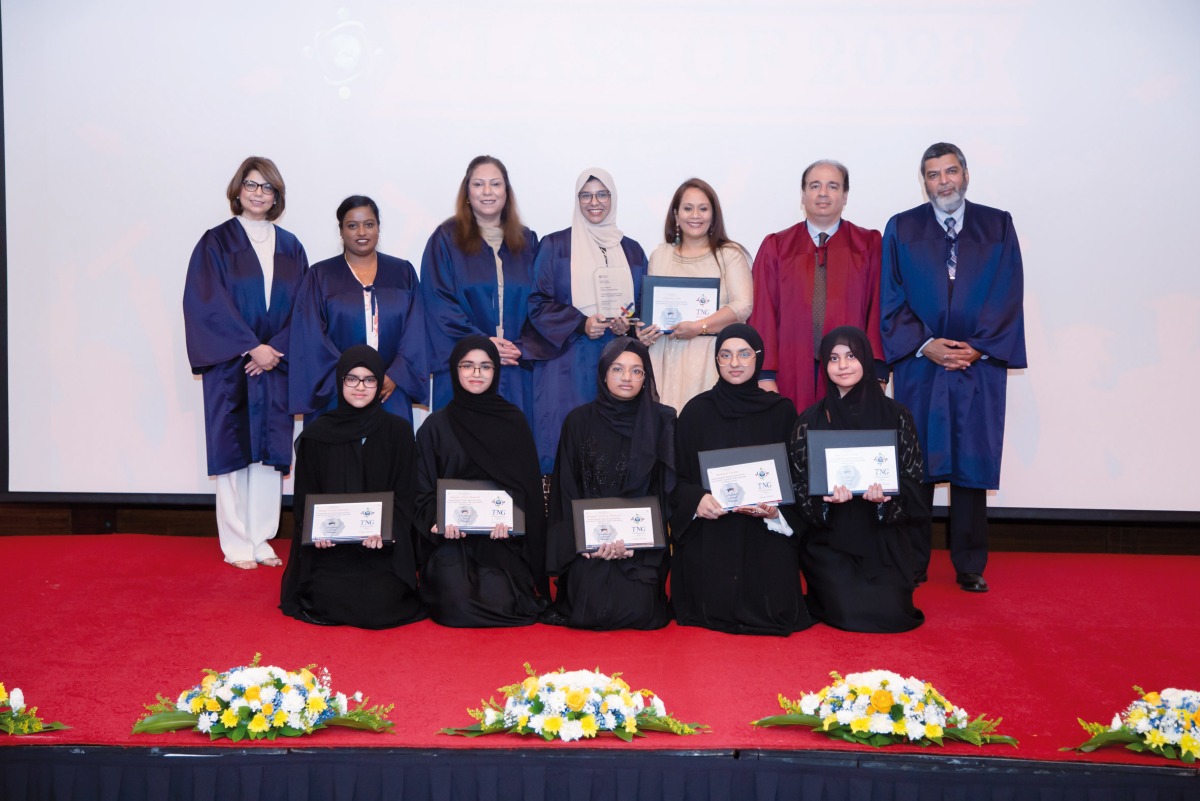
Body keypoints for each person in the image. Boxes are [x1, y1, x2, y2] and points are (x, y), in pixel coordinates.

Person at [880, 142, 1026, 593]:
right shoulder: (902, 227)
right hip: (922, 365)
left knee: (970, 463)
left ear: (966, 174)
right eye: (932, 174)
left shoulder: (997, 225)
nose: (943, 181)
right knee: (916, 464)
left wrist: (977, 349)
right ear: (923, 182)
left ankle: (968, 563)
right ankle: (915, 560)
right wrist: (926, 345)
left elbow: (1008, 292)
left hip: (975, 366)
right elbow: (891, 296)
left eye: (950, 172)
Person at [183, 156, 308, 570]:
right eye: (252, 185)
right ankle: (236, 543)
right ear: (238, 190)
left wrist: (275, 350)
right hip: (231, 366)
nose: (259, 194)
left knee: (270, 456)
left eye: (267, 187)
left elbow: (304, 309)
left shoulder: (291, 246)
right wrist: (250, 347)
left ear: (277, 196)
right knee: (235, 455)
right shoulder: (215, 242)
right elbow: (206, 303)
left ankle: (260, 540)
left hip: (276, 363)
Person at [671, 324, 814, 635]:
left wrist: (778, 513)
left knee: (775, 602)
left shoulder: (781, 411)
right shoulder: (696, 412)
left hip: (764, 528)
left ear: (758, 358)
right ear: (717, 361)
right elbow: (677, 477)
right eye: (725, 355)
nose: (735, 363)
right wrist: (697, 500)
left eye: (744, 354)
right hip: (712, 526)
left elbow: (798, 480)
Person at [789, 327, 927, 632]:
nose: (843, 366)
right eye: (834, 358)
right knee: (847, 612)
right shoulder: (808, 422)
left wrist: (886, 501)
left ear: (865, 358)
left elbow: (914, 482)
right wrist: (823, 504)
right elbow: (798, 487)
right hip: (830, 540)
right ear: (824, 365)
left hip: (884, 537)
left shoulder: (897, 416)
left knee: (893, 614)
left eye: (851, 356)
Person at [279, 346, 426, 628]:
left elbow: (407, 494)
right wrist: (316, 532)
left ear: (379, 383)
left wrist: (387, 532)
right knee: (330, 599)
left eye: (370, 379)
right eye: (352, 379)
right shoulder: (317, 435)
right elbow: (305, 500)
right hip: (331, 548)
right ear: (340, 381)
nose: (361, 387)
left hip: (383, 548)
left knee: (381, 603)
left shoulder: (398, 431)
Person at [543, 338, 675, 630]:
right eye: (618, 369)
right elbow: (566, 490)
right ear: (603, 373)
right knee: (590, 608)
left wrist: (639, 543)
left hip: (641, 549)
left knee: (639, 612)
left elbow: (665, 493)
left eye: (636, 371)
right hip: (589, 544)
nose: (627, 378)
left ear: (646, 377)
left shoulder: (662, 421)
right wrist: (584, 542)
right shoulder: (578, 421)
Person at [415, 336, 546, 626]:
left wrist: (512, 522)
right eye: (468, 365)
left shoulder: (513, 421)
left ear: (496, 371)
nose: (477, 373)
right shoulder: (435, 426)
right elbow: (422, 489)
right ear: (455, 369)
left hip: (501, 540)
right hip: (451, 540)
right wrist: (437, 521)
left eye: (486, 366)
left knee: (504, 600)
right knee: (455, 603)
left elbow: (528, 490)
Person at [524, 168, 648, 473]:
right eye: (586, 195)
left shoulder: (631, 250)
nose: (595, 202)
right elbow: (537, 302)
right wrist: (581, 323)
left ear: (613, 198)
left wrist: (628, 323)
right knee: (566, 443)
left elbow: (643, 306)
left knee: (615, 448)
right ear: (577, 200)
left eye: (602, 194)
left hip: (618, 360)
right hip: (567, 360)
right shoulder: (555, 246)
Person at [749, 160, 885, 412]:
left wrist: (877, 371)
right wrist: (765, 374)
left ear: (845, 196)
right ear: (803, 195)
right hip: (789, 370)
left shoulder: (869, 245)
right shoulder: (777, 247)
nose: (823, 193)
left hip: (851, 370)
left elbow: (877, 309)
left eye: (833, 186)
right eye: (815, 186)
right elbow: (763, 312)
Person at [289, 195, 427, 425]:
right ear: (341, 231)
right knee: (338, 457)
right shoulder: (320, 276)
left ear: (379, 228)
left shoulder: (403, 273)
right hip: (337, 387)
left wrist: (396, 374)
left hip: (389, 389)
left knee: (388, 454)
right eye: (352, 226)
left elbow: (416, 332)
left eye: (369, 224)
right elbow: (311, 336)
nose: (362, 232)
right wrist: (350, 378)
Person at [421, 156, 539, 423]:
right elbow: (438, 302)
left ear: (506, 193)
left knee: (510, 449)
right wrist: (481, 343)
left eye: (495, 184)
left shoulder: (527, 241)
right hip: (464, 365)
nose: (488, 192)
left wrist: (522, 347)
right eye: (479, 184)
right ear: (467, 193)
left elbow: (539, 303)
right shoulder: (445, 239)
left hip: (513, 367)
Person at [636, 178, 753, 414]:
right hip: (664, 357)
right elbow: (651, 308)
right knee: (666, 433)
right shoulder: (660, 255)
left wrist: (698, 327)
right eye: (688, 208)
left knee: (703, 430)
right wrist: (644, 332)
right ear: (676, 216)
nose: (695, 215)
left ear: (713, 215)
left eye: (703, 208)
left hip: (708, 356)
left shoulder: (729, 255)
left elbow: (743, 306)